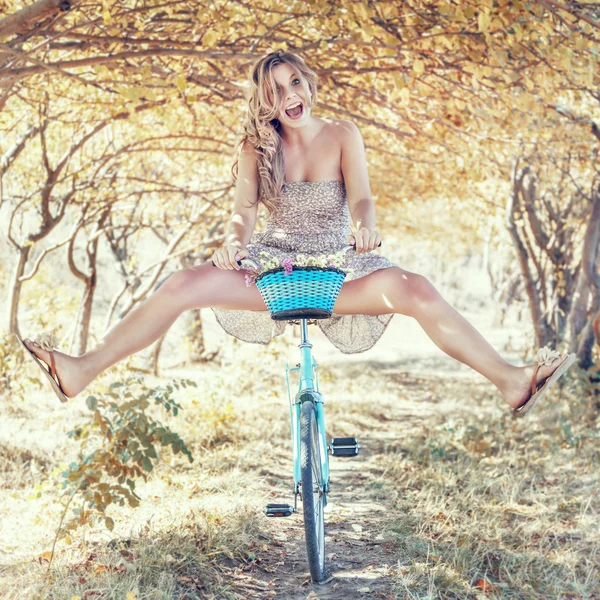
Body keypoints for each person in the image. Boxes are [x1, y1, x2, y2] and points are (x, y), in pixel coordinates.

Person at [18, 50, 575, 416]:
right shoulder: (254, 148)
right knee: (183, 283)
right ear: (265, 101)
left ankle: (509, 379)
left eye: (294, 81)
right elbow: (241, 212)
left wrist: (366, 228)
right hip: (278, 267)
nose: (289, 92)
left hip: (341, 266)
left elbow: (361, 196)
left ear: (307, 83)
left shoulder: (343, 133)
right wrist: (234, 241)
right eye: (276, 88)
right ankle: (80, 369)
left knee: (419, 289)